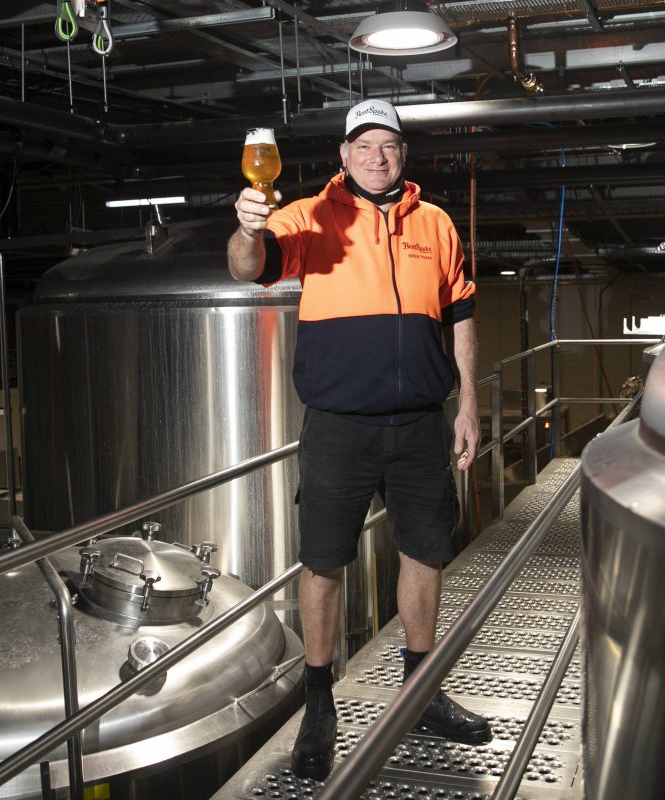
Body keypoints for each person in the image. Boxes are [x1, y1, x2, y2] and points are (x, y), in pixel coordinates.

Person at [227, 98, 491, 780]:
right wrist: (247, 227)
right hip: (339, 426)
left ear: (404, 156)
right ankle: (320, 702)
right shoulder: (312, 216)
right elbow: (247, 265)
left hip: (419, 422)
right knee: (323, 561)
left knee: (426, 551)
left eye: (391, 147)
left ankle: (422, 689)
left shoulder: (435, 223)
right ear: (343, 155)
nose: (379, 157)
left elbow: (461, 313)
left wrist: (468, 403)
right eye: (365, 146)